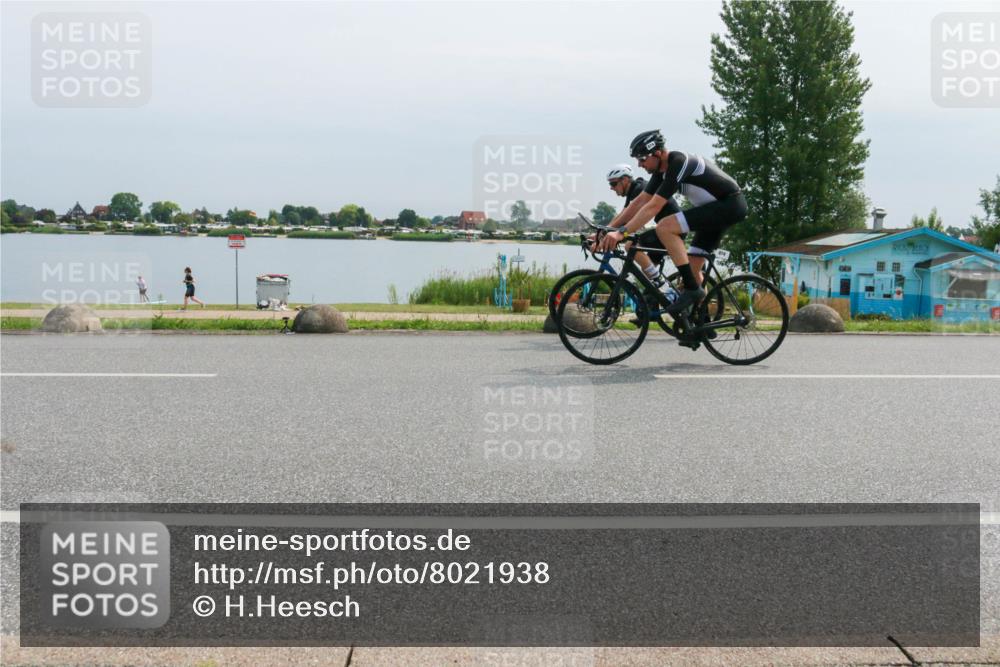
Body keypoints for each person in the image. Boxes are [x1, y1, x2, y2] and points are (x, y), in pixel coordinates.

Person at [598, 130, 746, 314]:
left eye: (642, 159)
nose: (639, 164)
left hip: (729, 205)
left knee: (665, 226)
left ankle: (692, 290)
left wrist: (621, 233)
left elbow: (653, 207)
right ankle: (702, 325)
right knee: (693, 272)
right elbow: (639, 202)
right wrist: (606, 231)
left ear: (657, 153)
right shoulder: (661, 171)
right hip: (713, 213)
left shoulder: (678, 162)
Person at [602, 164, 681, 292]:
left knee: (630, 246)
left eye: (614, 184)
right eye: (610, 185)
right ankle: (660, 295)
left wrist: (606, 234)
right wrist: (604, 231)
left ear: (625, 180)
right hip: (665, 230)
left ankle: (664, 287)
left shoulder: (639, 188)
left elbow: (627, 218)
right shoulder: (633, 191)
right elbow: (622, 216)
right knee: (648, 281)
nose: (612, 188)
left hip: (671, 228)